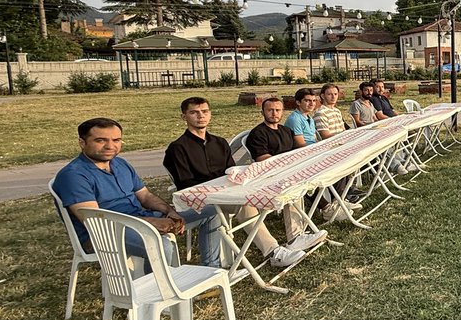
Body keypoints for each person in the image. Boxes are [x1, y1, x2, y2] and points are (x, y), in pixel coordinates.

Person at [164, 97, 320, 267]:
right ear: (184, 117)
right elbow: (186, 186)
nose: (200, 116)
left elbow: (232, 172)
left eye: (204, 111)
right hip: (205, 199)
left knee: (284, 186)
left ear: (210, 114)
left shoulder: (219, 142)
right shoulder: (177, 148)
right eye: (194, 112)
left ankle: (296, 237)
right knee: (244, 204)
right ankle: (273, 252)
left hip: (230, 191)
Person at [53, 117, 222, 270]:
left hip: (140, 218)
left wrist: (170, 211)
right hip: (105, 235)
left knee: (211, 210)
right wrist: (149, 223)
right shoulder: (74, 176)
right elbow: (95, 220)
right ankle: (158, 292)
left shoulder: (120, 163)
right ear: (82, 143)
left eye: (116, 140)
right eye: (100, 140)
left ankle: (211, 267)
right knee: (160, 244)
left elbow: (146, 196)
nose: (110, 146)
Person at [245, 97, 330, 251]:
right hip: (270, 176)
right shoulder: (258, 133)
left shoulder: (286, 131)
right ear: (262, 112)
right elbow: (262, 159)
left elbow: (297, 152)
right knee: (293, 187)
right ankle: (296, 237)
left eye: (277, 110)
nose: (274, 113)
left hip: (290, 171)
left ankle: (327, 208)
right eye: (270, 110)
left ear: (282, 112)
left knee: (314, 175)